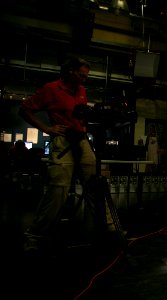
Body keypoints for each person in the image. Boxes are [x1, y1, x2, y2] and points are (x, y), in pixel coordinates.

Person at [19, 57, 98, 254]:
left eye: (86, 76)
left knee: (95, 185)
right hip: (63, 140)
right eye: (81, 75)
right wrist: (47, 128)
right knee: (58, 189)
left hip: (81, 140)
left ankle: (109, 227)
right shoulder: (51, 88)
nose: (84, 79)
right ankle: (35, 235)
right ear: (70, 71)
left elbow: (79, 116)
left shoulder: (81, 90)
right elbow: (25, 109)